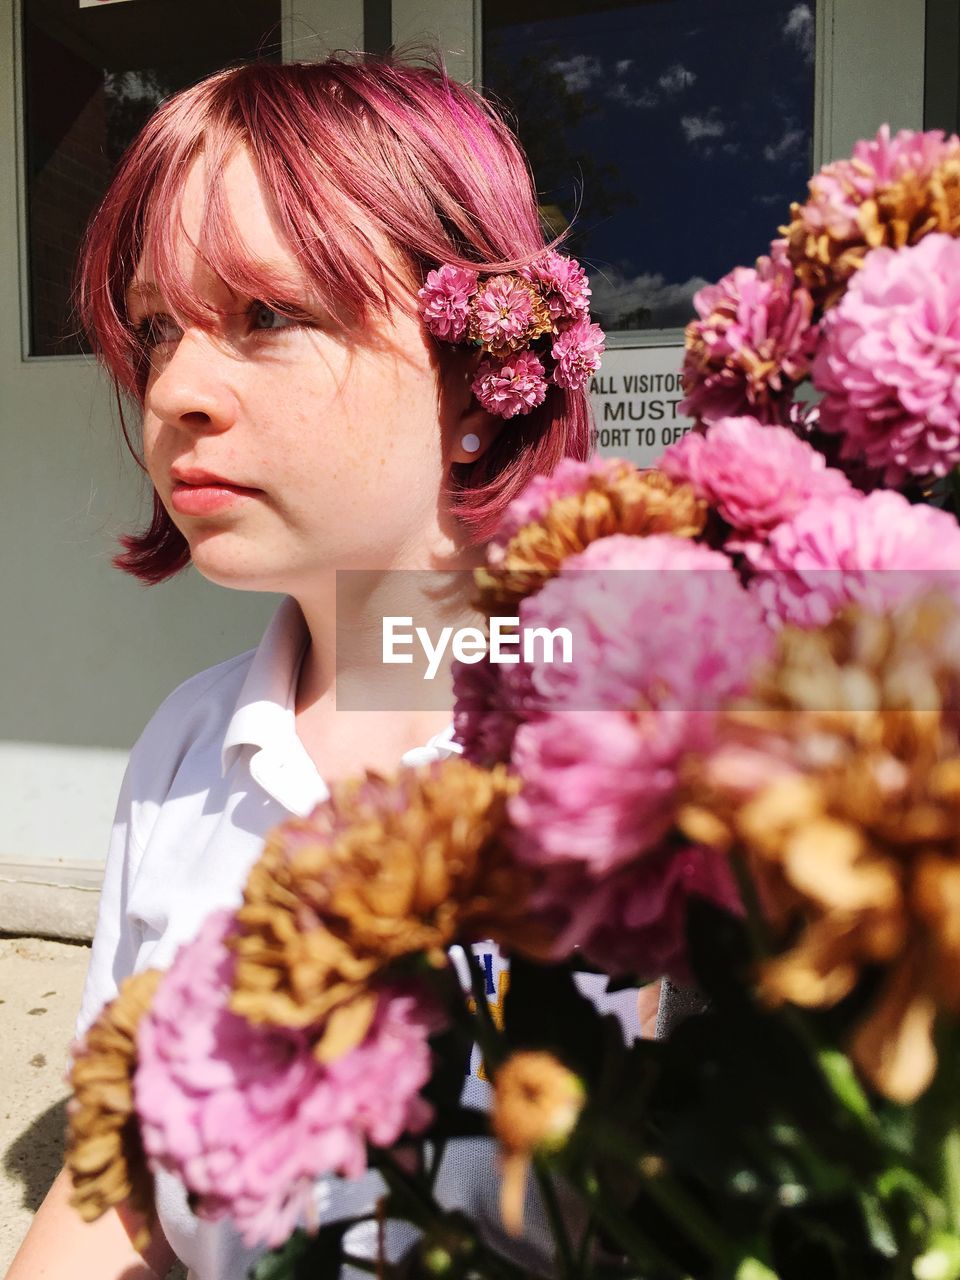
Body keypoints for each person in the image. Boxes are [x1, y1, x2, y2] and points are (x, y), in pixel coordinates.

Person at [6, 47, 657, 1280]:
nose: (176, 389)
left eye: (267, 314)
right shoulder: (186, 752)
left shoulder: (661, 759)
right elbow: (128, 1183)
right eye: (154, 328)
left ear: (478, 368)